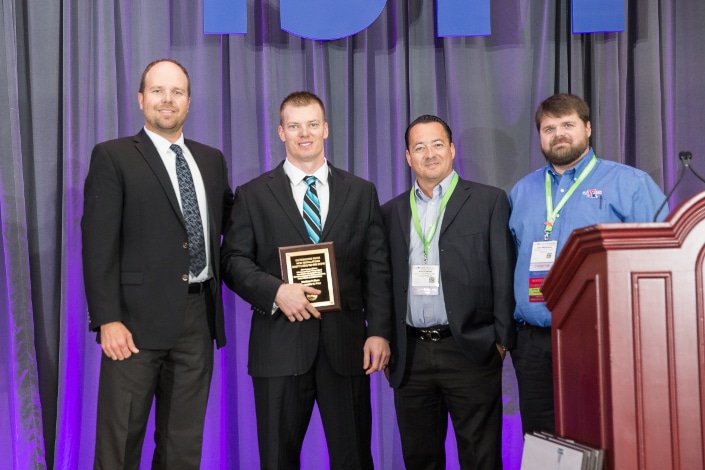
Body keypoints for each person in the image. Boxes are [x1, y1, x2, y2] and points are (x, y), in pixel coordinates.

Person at [220, 91, 392, 469]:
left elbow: (376, 268)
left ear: (326, 129)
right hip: (278, 348)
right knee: (277, 460)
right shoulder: (253, 195)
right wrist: (276, 291)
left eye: (312, 124)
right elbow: (232, 261)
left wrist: (379, 331)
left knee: (354, 460)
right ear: (281, 132)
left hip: (346, 348)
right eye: (295, 126)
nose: (305, 134)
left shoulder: (361, 192)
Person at [81, 58, 234, 469]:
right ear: (140, 99)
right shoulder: (113, 156)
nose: (167, 99)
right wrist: (107, 319)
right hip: (132, 324)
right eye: (158, 91)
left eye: (177, 92)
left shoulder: (211, 160)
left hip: (197, 319)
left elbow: (235, 227)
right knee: (119, 444)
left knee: (183, 447)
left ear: (188, 101)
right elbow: (97, 244)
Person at [509, 93, 669, 435]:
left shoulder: (631, 184)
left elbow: (660, 261)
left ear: (588, 128)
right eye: (549, 128)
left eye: (567, 125)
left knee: (600, 434)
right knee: (539, 440)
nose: (559, 134)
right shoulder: (522, 191)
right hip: (532, 343)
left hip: (599, 339)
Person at [381, 114, 516, 469]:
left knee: (481, 458)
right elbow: (380, 282)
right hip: (410, 355)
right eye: (419, 147)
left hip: (470, 350)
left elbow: (504, 273)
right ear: (408, 157)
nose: (430, 154)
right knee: (420, 459)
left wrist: (501, 341)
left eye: (437, 144)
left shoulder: (489, 201)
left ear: (452, 150)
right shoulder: (390, 212)